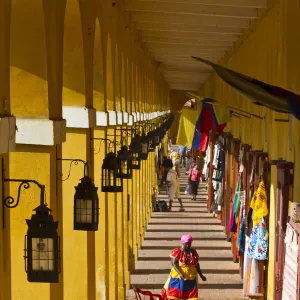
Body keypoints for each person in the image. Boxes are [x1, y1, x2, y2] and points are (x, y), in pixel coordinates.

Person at [161, 234, 206, 300]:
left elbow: (196, 264)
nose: (188, 246)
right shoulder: (177, 252)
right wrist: (180, 273)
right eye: (186, 244)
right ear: (183, 243)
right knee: (176, 293)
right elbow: (174, 264)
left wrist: (201, 275)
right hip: (178, 276)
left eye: (189, 244)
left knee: (190, 294)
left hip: (191, 277)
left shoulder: (193, 252)